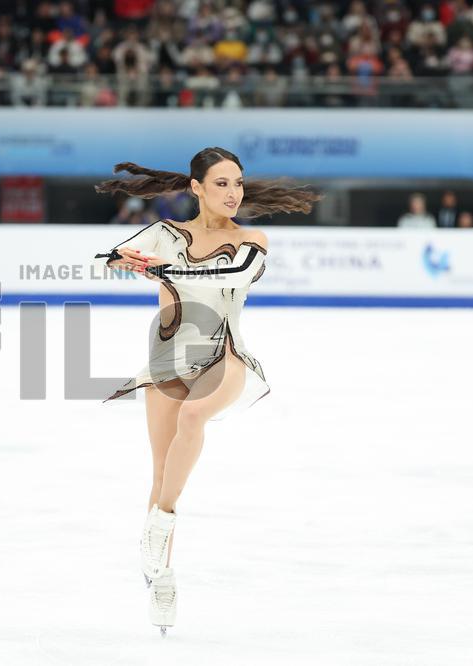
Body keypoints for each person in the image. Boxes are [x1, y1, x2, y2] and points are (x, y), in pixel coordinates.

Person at [92, 148, 319, 635]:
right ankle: (163, 577)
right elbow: (110, 257)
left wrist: (165, 272)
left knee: (194, 420)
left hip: (224, 354)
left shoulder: (251, 239)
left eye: (237, 182)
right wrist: (120, 259)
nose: (233, 192)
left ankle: (161, 522)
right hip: (168, 355)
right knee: (160, 471)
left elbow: (234, 274)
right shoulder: (167, 234)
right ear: (195, 188)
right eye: (220, 183)